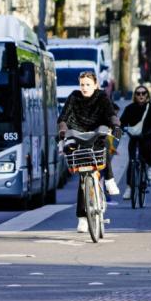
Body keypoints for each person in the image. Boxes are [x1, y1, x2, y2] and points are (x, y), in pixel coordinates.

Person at [58, 71, 122, 233]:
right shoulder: (74, 97)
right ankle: (82, 218)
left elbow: (110, 114)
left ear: (95, 85)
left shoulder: (101, 97)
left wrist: (115, 125)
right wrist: (63, 131)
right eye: (82, 85)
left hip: (96, 133)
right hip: (78, 134)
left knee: (103, 147)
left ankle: (109, 179)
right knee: (83, 178)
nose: (85, 88)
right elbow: (63, 117)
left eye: (88, 84)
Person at [119, 85, 151, 199]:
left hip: (148, 136)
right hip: (134, 138)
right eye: (138, 93)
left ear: (147, 95)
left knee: (148, 149)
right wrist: (120, 130)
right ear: (135, 95)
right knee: (132, 161)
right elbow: (122, 122)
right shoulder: (130, 108)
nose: (141, 96)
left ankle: (149, 167)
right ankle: (129, 188)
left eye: (143, 93)